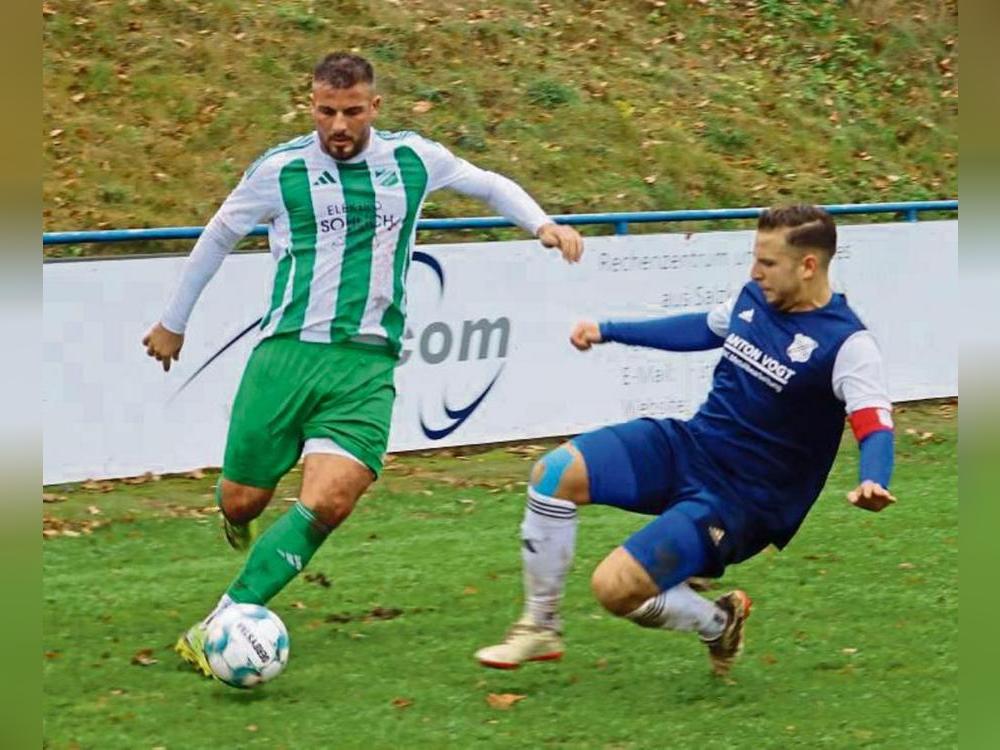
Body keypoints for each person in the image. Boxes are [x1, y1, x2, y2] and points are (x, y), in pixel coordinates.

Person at [141, 52, 583, 677]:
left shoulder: (412, 159)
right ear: (311, 105)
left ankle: (223, 622)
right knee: (243, 501)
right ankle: (234, 517)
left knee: (332, 499)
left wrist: (541, 223)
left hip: (367, 364)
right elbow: (218, 235)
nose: (339, 124)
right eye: (327, 111)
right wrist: (173, 323)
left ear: (375, 107)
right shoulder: (280, 168)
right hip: (287, 355)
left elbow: (485, 182)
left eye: (352, 111)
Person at [475, 204, 896, 676]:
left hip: (741, 502)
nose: (755, 272)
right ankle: (539, 625)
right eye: (754, 258)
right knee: (553, 473)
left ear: (809, 265)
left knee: (614, 589)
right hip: (692, 445)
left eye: (768, 263)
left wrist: (873, 478)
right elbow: (704, 328)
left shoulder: (848, 344)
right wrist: (610, 331)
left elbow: (873, 420)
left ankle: (718, 622)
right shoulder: (753, 297)